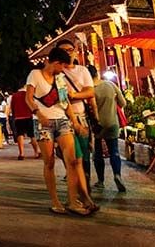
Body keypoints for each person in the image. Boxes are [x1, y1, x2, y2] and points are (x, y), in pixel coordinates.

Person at [25, 48, 97, 216]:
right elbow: (28, 98)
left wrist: (75, 123)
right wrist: (38, 114)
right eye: (63, 65)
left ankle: (72, 201)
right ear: (56, 62)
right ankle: (56, 202)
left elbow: (65, 103)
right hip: (43, 122)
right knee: (49, 162)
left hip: (62, 120)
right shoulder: (34, 75)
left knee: (72, 161)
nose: (64, 69)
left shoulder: (60, 79)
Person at [56, 40, 96, 197]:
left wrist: (73, 95)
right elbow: (59, 98)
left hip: (81, 117)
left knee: (84, 155)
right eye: (63, 50)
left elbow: (90, 92)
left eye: (70, 49)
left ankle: (85, 188)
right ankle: (78, 190)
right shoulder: (56, 73)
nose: (67, 52)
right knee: (70, 157)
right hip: (62, 118)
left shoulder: (83, 70)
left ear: (75, 52)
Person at [88, 65, 127, 192]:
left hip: (97, 125)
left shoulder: (88, 90)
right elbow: (123, 103)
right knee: (114, 151)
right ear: (97, 74)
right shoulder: (110, 85)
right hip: (112, 123)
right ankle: (117, 175)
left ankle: (100, 181)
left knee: (98, 154)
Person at [10, 84, 40, 160]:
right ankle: (36, 152)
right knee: (32, 135)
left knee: (20, 134)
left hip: (18, 118)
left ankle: (21, 153)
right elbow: (32, 105)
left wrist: (14, 116)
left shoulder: (14, 96)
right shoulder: (28, 95)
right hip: (28, 116)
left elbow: (12, 107)